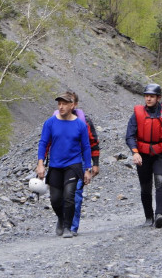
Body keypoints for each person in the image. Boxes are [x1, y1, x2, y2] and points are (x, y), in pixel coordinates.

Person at [37, 91, 93, 238]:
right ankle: (61, 218)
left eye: (64, 104)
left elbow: (86, 147)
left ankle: (68, 227)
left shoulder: (80, 125)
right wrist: (40, 163)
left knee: (69, 196)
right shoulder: (50, 122)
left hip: (73, 165)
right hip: (55, 165)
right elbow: (43, 143)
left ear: (72, 105)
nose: (61, 107)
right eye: (59, 104)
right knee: (55, 199)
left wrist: (88, 169)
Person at [125, 83, 162, 228]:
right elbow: (130, 135)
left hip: (161, 154)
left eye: (152, 96)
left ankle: (160, 215)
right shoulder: (137, 113)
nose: (148, 99)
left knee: (160, 182)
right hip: (143, 155)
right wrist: (135, 152)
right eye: (146, 96)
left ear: (159, 98)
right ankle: (148, 217)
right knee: (145, 187)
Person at [67, 92, 99, 236]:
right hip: (60, 160)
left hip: (78, 159)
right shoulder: (55, 120)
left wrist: (94, 164)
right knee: (61, 194)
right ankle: (64, 221)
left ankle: (72, 227)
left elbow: (93, 143)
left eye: (71, 102)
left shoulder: (85, 121)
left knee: (76, 193)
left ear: (76, 104)